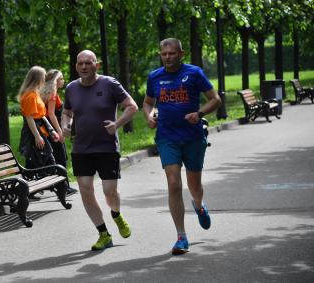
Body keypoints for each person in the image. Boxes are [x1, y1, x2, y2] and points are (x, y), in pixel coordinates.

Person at [143, 38, 222, 255]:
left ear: (181, 53)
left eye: (171, 53)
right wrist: (149, 116)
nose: (167, 57)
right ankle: (181, 236)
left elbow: (215, 99)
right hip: (167, 137)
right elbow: (148, 101)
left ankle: (198, 205)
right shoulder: (155, 77)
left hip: (193, 137)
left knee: (194, 186)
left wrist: (200, 114)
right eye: (163, 54)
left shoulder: (194, 73)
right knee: (173, 184)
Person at [61, 50, 138, 251]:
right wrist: (65, 125)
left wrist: (117, 124)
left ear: (97, 64)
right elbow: (67, 111)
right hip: (81, 148)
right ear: (76, 66)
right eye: (80, 64)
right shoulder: (71, 88)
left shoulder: (110, 84)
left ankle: (116, 214)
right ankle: (103, 234)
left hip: (107, 147)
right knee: (85, 190)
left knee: (109, 192)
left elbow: (131, 106)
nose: (84, 67)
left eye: (88, 63)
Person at [40, 69, 77, 195]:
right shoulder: (53, 92)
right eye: (61, 78)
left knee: (56, 157)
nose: (63, 80)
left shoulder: (43, 91)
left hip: (46, 129)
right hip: (52, 130)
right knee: (61, 157)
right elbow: (51, 114)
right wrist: (59, 132)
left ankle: (61, 185)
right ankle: (64, 187)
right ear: (56, 80)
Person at [18, 66, 57, 171]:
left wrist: (51, 131)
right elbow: (29, 118)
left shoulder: (35, 93)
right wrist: (37, 136)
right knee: (46, 160)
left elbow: (41, 115)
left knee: (38, 161)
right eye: (43, 77)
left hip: (40, 130)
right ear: (37, 78)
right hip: (33, 132)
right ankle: (62, 186)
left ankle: (60, 185)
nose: (44, 79)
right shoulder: (29, 96)